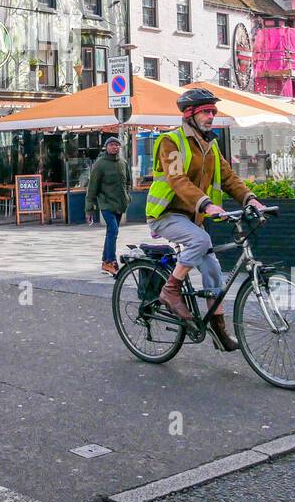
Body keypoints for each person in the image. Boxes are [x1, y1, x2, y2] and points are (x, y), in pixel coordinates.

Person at [145, 88, 267, 352]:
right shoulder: (171, 142)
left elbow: (228, 177)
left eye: (214, 111)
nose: (212, 116)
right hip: (166, 214)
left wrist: (250, 199)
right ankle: (170, 290)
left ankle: (217, 328)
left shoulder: (210, 145)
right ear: (190, 114)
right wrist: (207, 204)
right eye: (206, 111)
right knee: (200, 240)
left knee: (213, 271)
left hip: (192, 218)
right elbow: (177, 179)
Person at [86, 135, 131, 277]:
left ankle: (105, 262)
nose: (114, 147)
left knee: (110, 233)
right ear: (106, 147)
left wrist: (128, 197)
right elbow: (92, 188)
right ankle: (111, 261)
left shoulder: (123, 162)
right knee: (113, 230)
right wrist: (89, 209)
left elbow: (128, 182)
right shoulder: (100, 164)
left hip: (120, 203)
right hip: (106, 204)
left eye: (117, 145)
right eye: (111, 145)